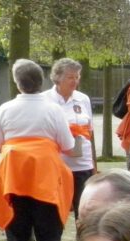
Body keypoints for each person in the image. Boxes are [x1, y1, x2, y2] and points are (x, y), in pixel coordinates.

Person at [0, 59, 74, 241]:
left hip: (13, 181)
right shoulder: (53, 110)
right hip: (45, 182)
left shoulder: (5, 109)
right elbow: (68, 144)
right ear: (41, 81)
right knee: (49, 239)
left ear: (17, 82)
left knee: (16, 239)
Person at [42, 58, 96, 219]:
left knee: (85, 211)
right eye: (70, 77)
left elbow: (90, 133)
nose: (75, 81)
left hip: (82, 164)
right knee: (55, 212)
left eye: (77, 77)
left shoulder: (83, 99)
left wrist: (93, 165)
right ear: (58, 77)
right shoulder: (45, 100)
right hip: (57, 165)